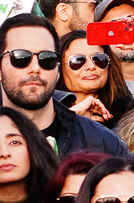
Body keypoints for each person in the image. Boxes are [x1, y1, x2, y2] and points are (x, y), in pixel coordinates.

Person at [1, 14, 125, 157]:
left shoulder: (104, 143)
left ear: (58, 69)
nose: (35, 68)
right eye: (21, 58)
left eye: (47, 59)